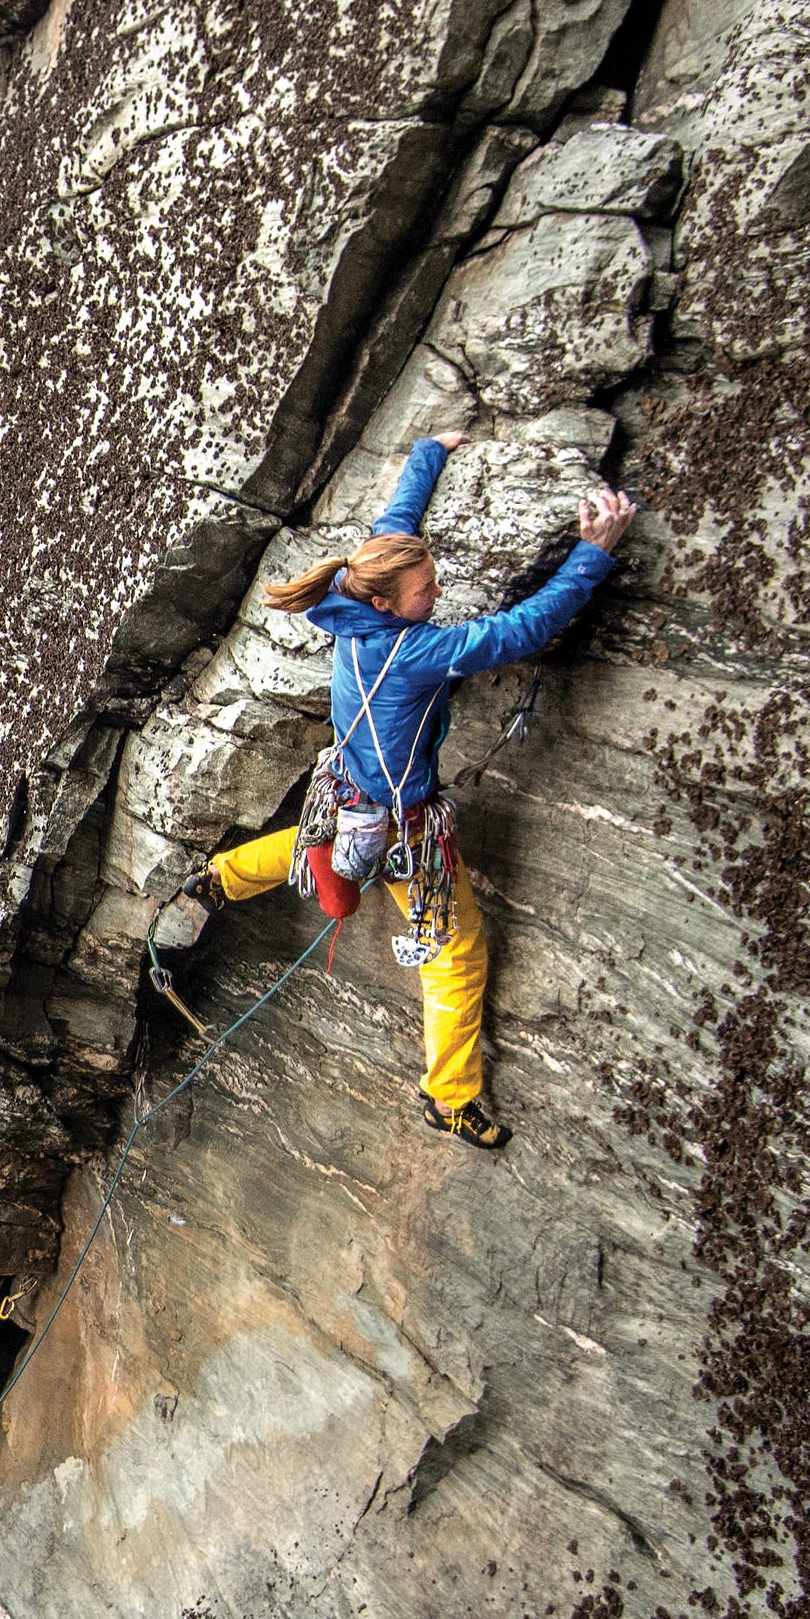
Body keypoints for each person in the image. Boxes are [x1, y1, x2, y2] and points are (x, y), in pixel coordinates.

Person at [184, 431, 635, 1150]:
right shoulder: (417, 652)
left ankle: (217, 880)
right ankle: (450, 1097)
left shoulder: (347, 601)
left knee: (317, 844)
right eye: (429, 589)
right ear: (394, 603)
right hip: (401, 828)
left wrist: (431, 451)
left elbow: (393, 531)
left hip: (349, 789)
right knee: (454, 953)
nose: (440, 593)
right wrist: (594, 553)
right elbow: (523, 628)